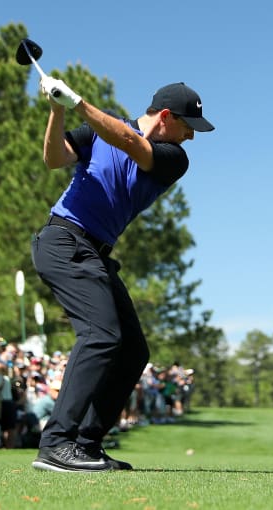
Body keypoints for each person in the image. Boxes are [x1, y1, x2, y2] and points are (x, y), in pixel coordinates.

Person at [29, 75, 214, 473]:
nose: (191, 138)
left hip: (92, 253)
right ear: (165, 116)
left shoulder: (173, 158)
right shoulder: (98, 130)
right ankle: (57, 443)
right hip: (64, 241)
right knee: (101, 336)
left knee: (132, 350)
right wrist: (57, 110)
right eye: (187, 127)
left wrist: (77, 102)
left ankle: (86, 444)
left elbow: (129, 143)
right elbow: (54, 158)